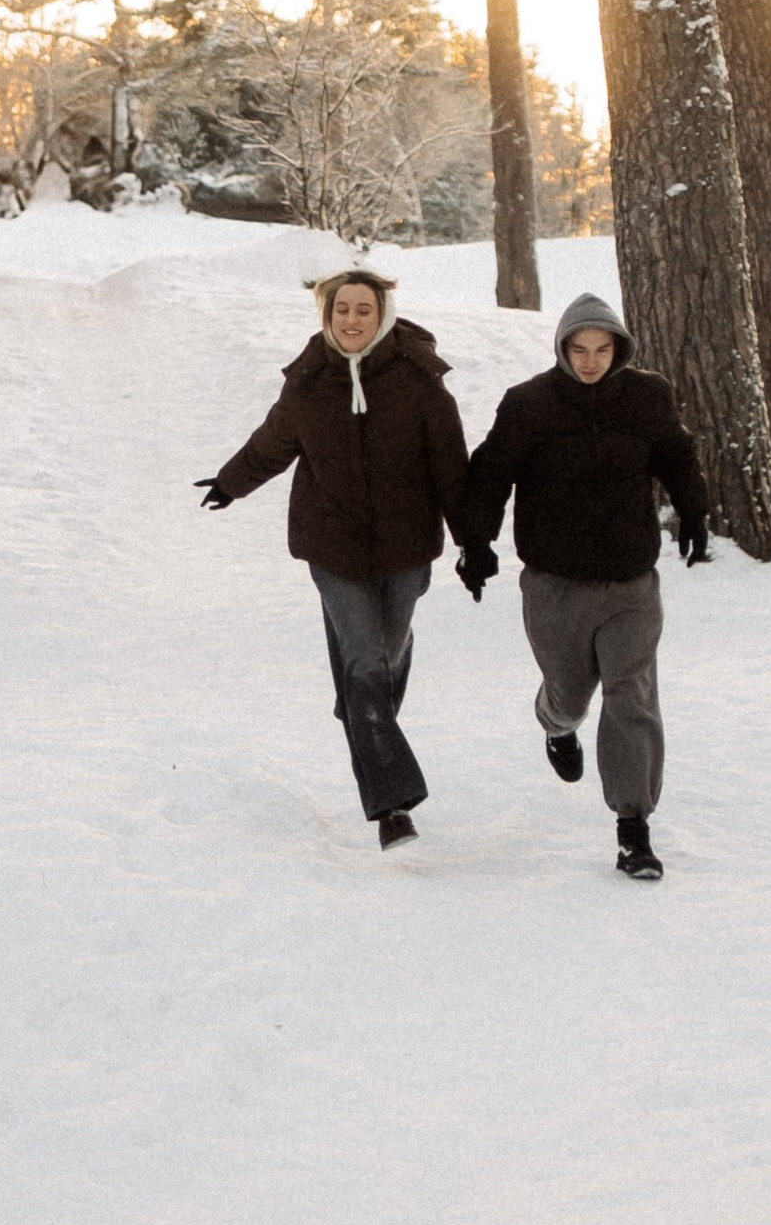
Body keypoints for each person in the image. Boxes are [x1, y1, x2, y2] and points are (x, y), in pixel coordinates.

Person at [199, 267, 469, 851]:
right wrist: (230, 482)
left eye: (362, 310)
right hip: (333, 547)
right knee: (367, 663)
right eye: (341, 310)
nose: (351, 320)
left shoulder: (418, 380)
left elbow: (451, 466)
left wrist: (474, 541)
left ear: (383, 315)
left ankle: (361, 714)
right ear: (327, 315)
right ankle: (392, 806)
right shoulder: (310, 381)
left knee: (383, 661)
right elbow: (273, 442)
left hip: (405, 547)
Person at [455, 288, 708, 882]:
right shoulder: (529, 405)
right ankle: (556, 723)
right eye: (579, 349)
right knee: (570, 692)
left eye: (602, 349)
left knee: (631, 695)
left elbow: (677, 454)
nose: (591, 361)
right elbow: (490, 474)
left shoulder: (648, 396)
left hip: (630, 581)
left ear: (619, 349)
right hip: (554, 583)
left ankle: (633, 828)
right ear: (562, 350)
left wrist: (694, 511)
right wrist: (476, 543)